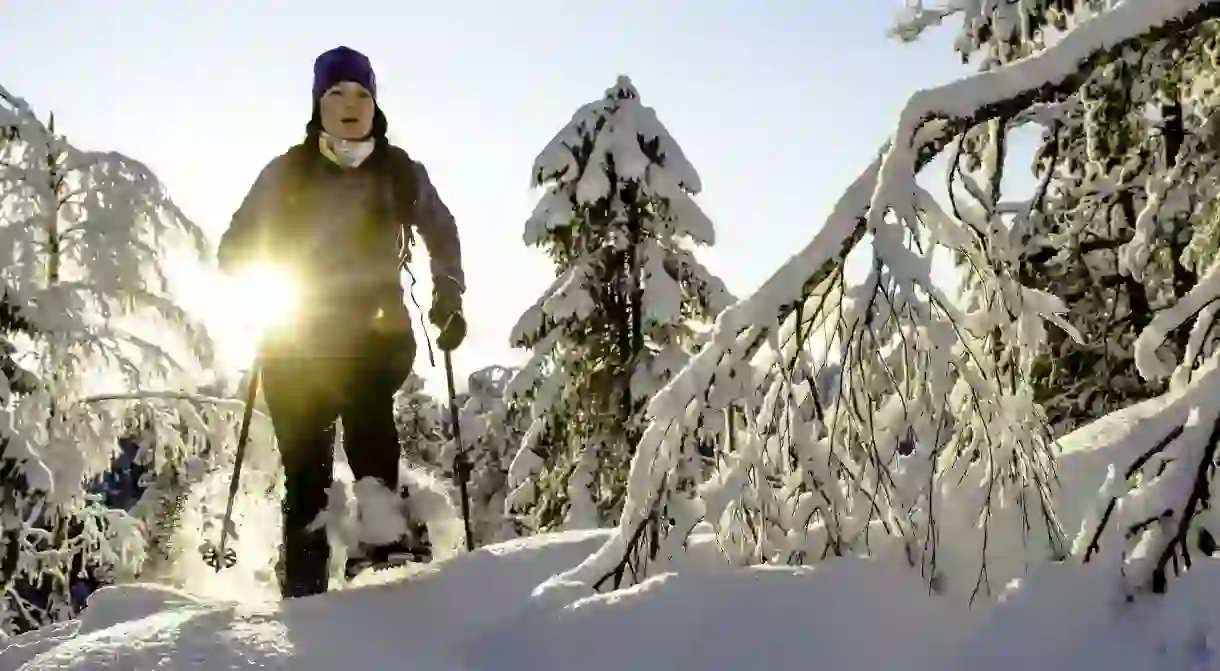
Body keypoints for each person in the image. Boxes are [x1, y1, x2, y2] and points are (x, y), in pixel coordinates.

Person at [216, 46, 466, 599]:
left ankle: (382, 552)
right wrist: (265, 251)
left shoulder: (397, 171)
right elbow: (232, 248)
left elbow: (440, 229)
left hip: (376, 332)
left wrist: (449, 295)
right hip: (296, 340)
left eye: (361, 94)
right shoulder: (287, 172)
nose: (351, 105)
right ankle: (304, 596)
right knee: (306, 472)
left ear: (375, 105)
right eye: (337, 94)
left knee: (366, 405)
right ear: (318, 106)